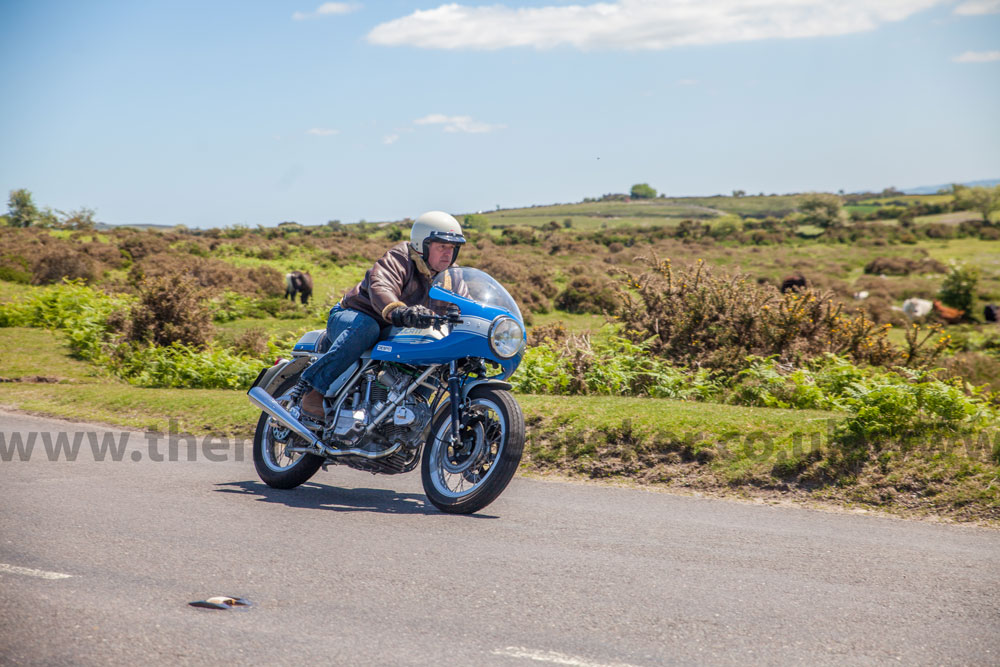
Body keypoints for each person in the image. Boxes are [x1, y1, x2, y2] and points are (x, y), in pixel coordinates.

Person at [295, 211, 466, 421]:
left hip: (399, 329)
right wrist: (398, 309)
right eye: (441, 246)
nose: (448, 253)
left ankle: (409, 415)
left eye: (452, 248)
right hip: (356, 315)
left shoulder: (453, 277)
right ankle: (314, 392)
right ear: (422, 244)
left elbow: (466, 305)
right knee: (368, 328)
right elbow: (381, 285)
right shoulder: (400, 258)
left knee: (437, 352)